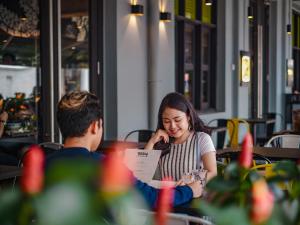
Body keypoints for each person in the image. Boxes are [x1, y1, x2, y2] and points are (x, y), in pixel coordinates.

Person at [46, 91, 202, 209]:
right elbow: (151, 198)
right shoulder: (106, 167)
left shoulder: (41, 166)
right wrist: (189, 190)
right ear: (96, 126)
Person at [145, 92, 217, 182]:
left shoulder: (202, 139)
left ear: (188, 116)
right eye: (166, 121)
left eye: (177, 120)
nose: (172, 126)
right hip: (167, 195)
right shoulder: (162, 141)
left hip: (192, 195)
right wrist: (152, 142)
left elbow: (212, 173)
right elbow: (143, 174)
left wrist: (189, 179)